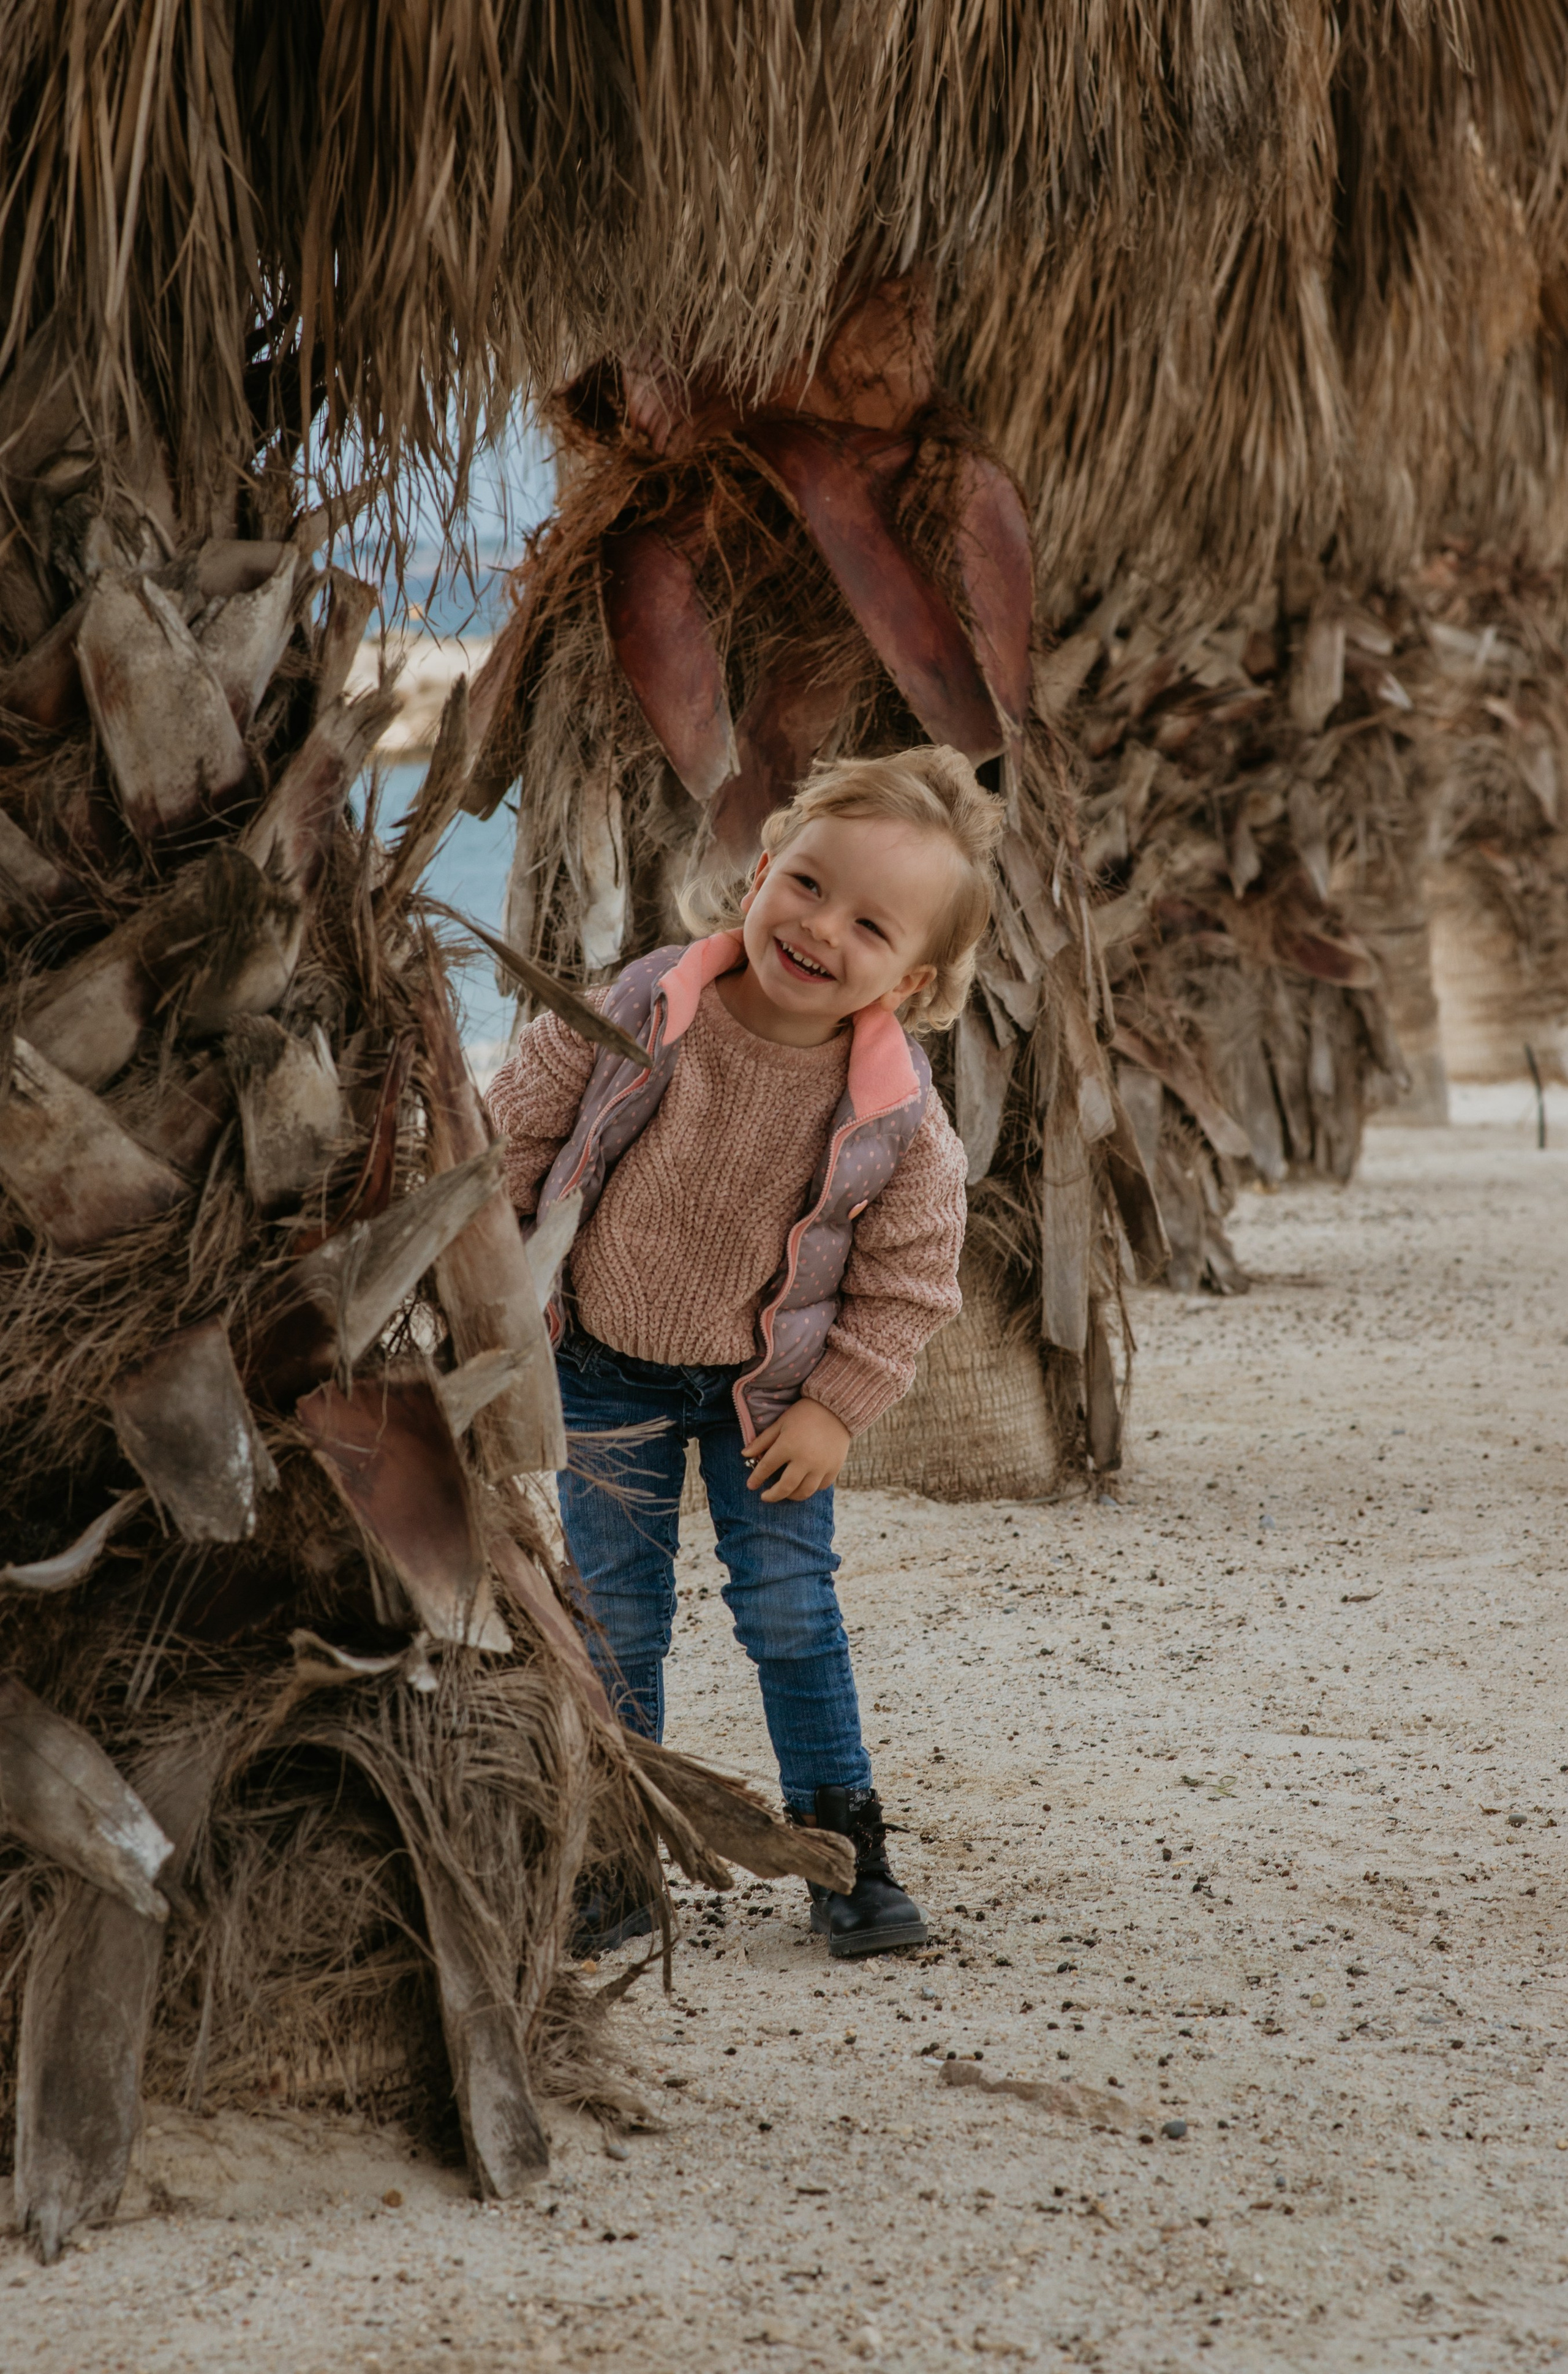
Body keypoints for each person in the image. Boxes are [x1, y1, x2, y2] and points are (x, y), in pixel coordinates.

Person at [486, 744, 1001, 1956]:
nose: (821, 927)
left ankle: (841, 1850)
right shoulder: (645, 1009)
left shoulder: (896, 1116)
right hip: (600, 1368)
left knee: (788, 1610)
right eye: (809, 885)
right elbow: (513, 1137)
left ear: (912, 980)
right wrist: (493, 1302)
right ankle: (615, 1854)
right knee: (612, 1617)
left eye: (869, 925)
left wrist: (835, 1409)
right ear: (762, 871)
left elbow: (908, 1282)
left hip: (768, 1400)